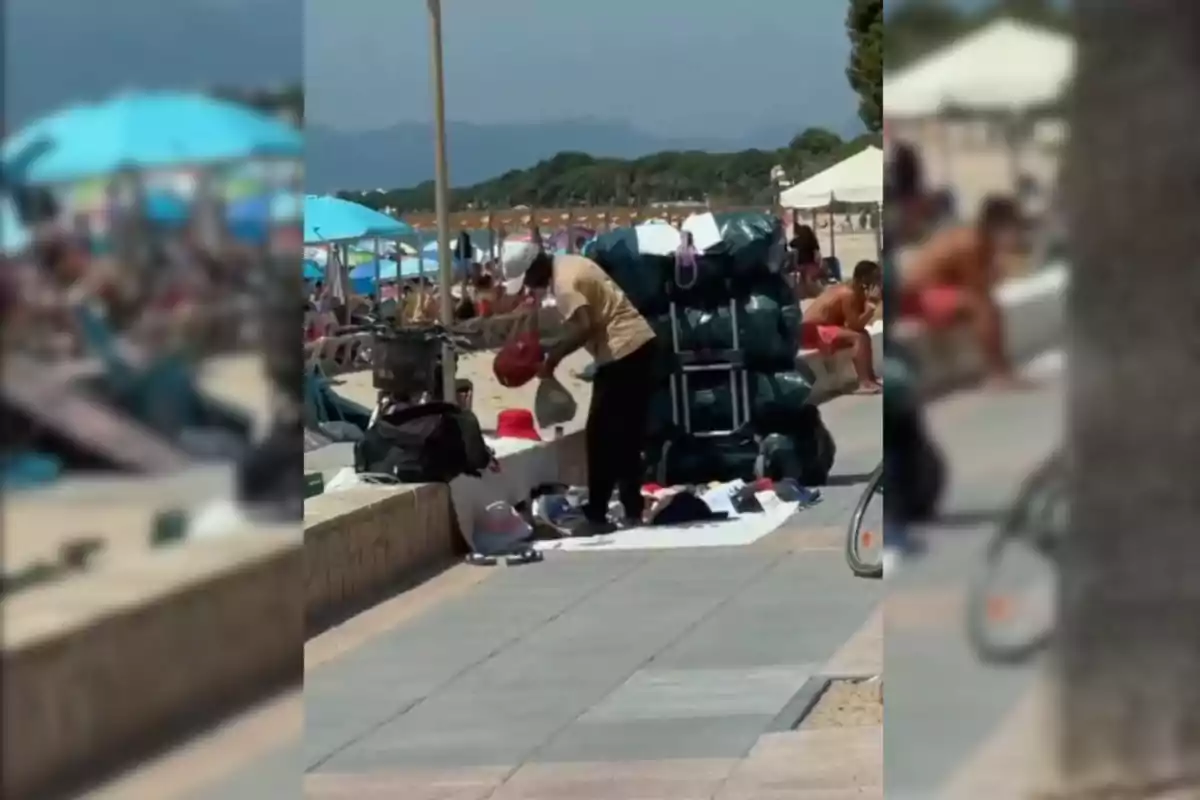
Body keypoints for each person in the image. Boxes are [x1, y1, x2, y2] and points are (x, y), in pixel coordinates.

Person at [503, 242, 657, 533]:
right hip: (637, 347)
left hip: (623, 351)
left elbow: (583, 325)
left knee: (600, 435)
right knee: (625, 435)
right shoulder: (569, 264)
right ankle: (631, 508)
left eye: (527, 280)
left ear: (536, 266)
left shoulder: (564, 283)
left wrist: (553, 360)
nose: (529, 288)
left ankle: (597, 514)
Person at [900, 195, 1026, 387]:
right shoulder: (971, 243)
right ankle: (998, 372)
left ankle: (1002, 368)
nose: (1015, 233)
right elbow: (978, 289)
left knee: (988, 306)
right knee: (981, 307)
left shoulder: (982, 243)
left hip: (937, 292)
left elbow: (981, 284)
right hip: (918, 298)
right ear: (996, 226)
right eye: (1011, 227)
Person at [801, 260, 883, 394]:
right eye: (876, 278)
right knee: (858, 337)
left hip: (823, 328)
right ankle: (863, 382)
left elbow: (857, 323)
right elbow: (855, 325)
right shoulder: (848, 293)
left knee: (864, 334)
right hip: (811, 330)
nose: (879, 281)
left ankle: (870, 377)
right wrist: (871, 306)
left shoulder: (855, 291)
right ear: (863, 279)